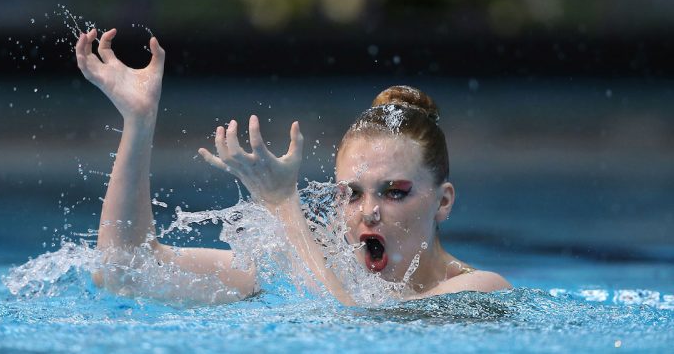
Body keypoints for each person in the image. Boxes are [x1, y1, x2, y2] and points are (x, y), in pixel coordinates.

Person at [74, 29, 510, 306]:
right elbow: (125, 270)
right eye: (351, 193)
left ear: (443, 201)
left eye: (395, 192)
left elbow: (355, 334)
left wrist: (283, 204)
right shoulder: (308, 270)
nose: (368, 212)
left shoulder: (480, 292)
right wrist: (138, 122)